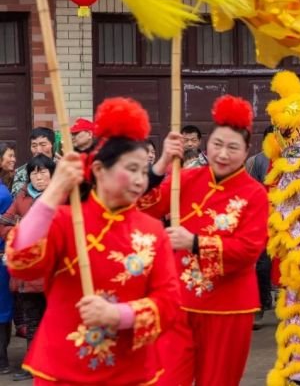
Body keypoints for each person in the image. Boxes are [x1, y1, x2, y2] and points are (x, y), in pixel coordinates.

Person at [4, 97, 181, 384]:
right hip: (62, 366)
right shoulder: (65, 219)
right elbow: (20, 262)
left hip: (129, 368)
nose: (140, 179)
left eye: (142, 170)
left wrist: (119, 314)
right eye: (130, 169)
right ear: (99, 170)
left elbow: (170, 302)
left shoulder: (152, 230)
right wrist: (54, 191)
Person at [139, 95, 269, 386]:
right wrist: (161, 164)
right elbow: (143, 205)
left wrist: (194, 242)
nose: (223, 154)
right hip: (178, 300)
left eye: (233, 147)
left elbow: (249, 250)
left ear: (247, 151)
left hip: (229, 307)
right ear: (206, 145)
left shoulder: (254, 193)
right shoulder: (186, 178)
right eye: (217, 145)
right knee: (166, 379)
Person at [0, 154, 55, 381]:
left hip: (52, 271)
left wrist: (29, 228)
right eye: (34, 172)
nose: (38, 177)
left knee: (53, 320)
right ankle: (33, 365)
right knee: (32, 321)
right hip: (27, 272)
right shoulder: (21, 196)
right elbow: (4, 224)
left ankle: (53, 364)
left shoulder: (60, 197)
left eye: (43, 172)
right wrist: (22, 231)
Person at [245, 125, 275, 331]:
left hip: (288, 220)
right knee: (262, 265)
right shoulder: (255, 161)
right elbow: (250, 190)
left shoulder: (292, 158)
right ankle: (260, 303)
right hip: (263, 219)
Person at [0, 142, 15, 375]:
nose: (13, 159)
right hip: (2, 256)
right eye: (9, 156)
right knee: (3, 308)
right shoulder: (3, 192)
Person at [12, 127, 57, 197]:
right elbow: (17, 197)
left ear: (53, 145)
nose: (38, 150)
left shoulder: (62, 167)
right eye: (34, 146)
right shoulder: (21, 172)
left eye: (43, 145)